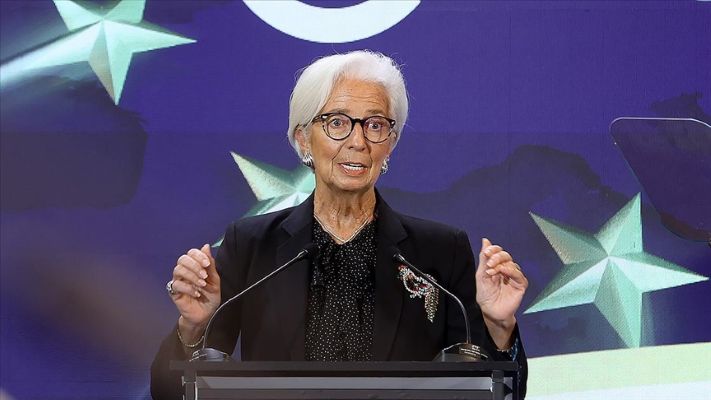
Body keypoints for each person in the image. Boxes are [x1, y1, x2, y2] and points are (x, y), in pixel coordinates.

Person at [150, 50, 529, 399]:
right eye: (337, 123)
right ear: (303, 139)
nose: (358, 141)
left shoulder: (439, 251)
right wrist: (193, 328)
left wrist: (499, 328)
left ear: (390, 143)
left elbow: (494, 392)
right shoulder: (251, 245)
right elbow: (172, 393)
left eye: (375, 125)